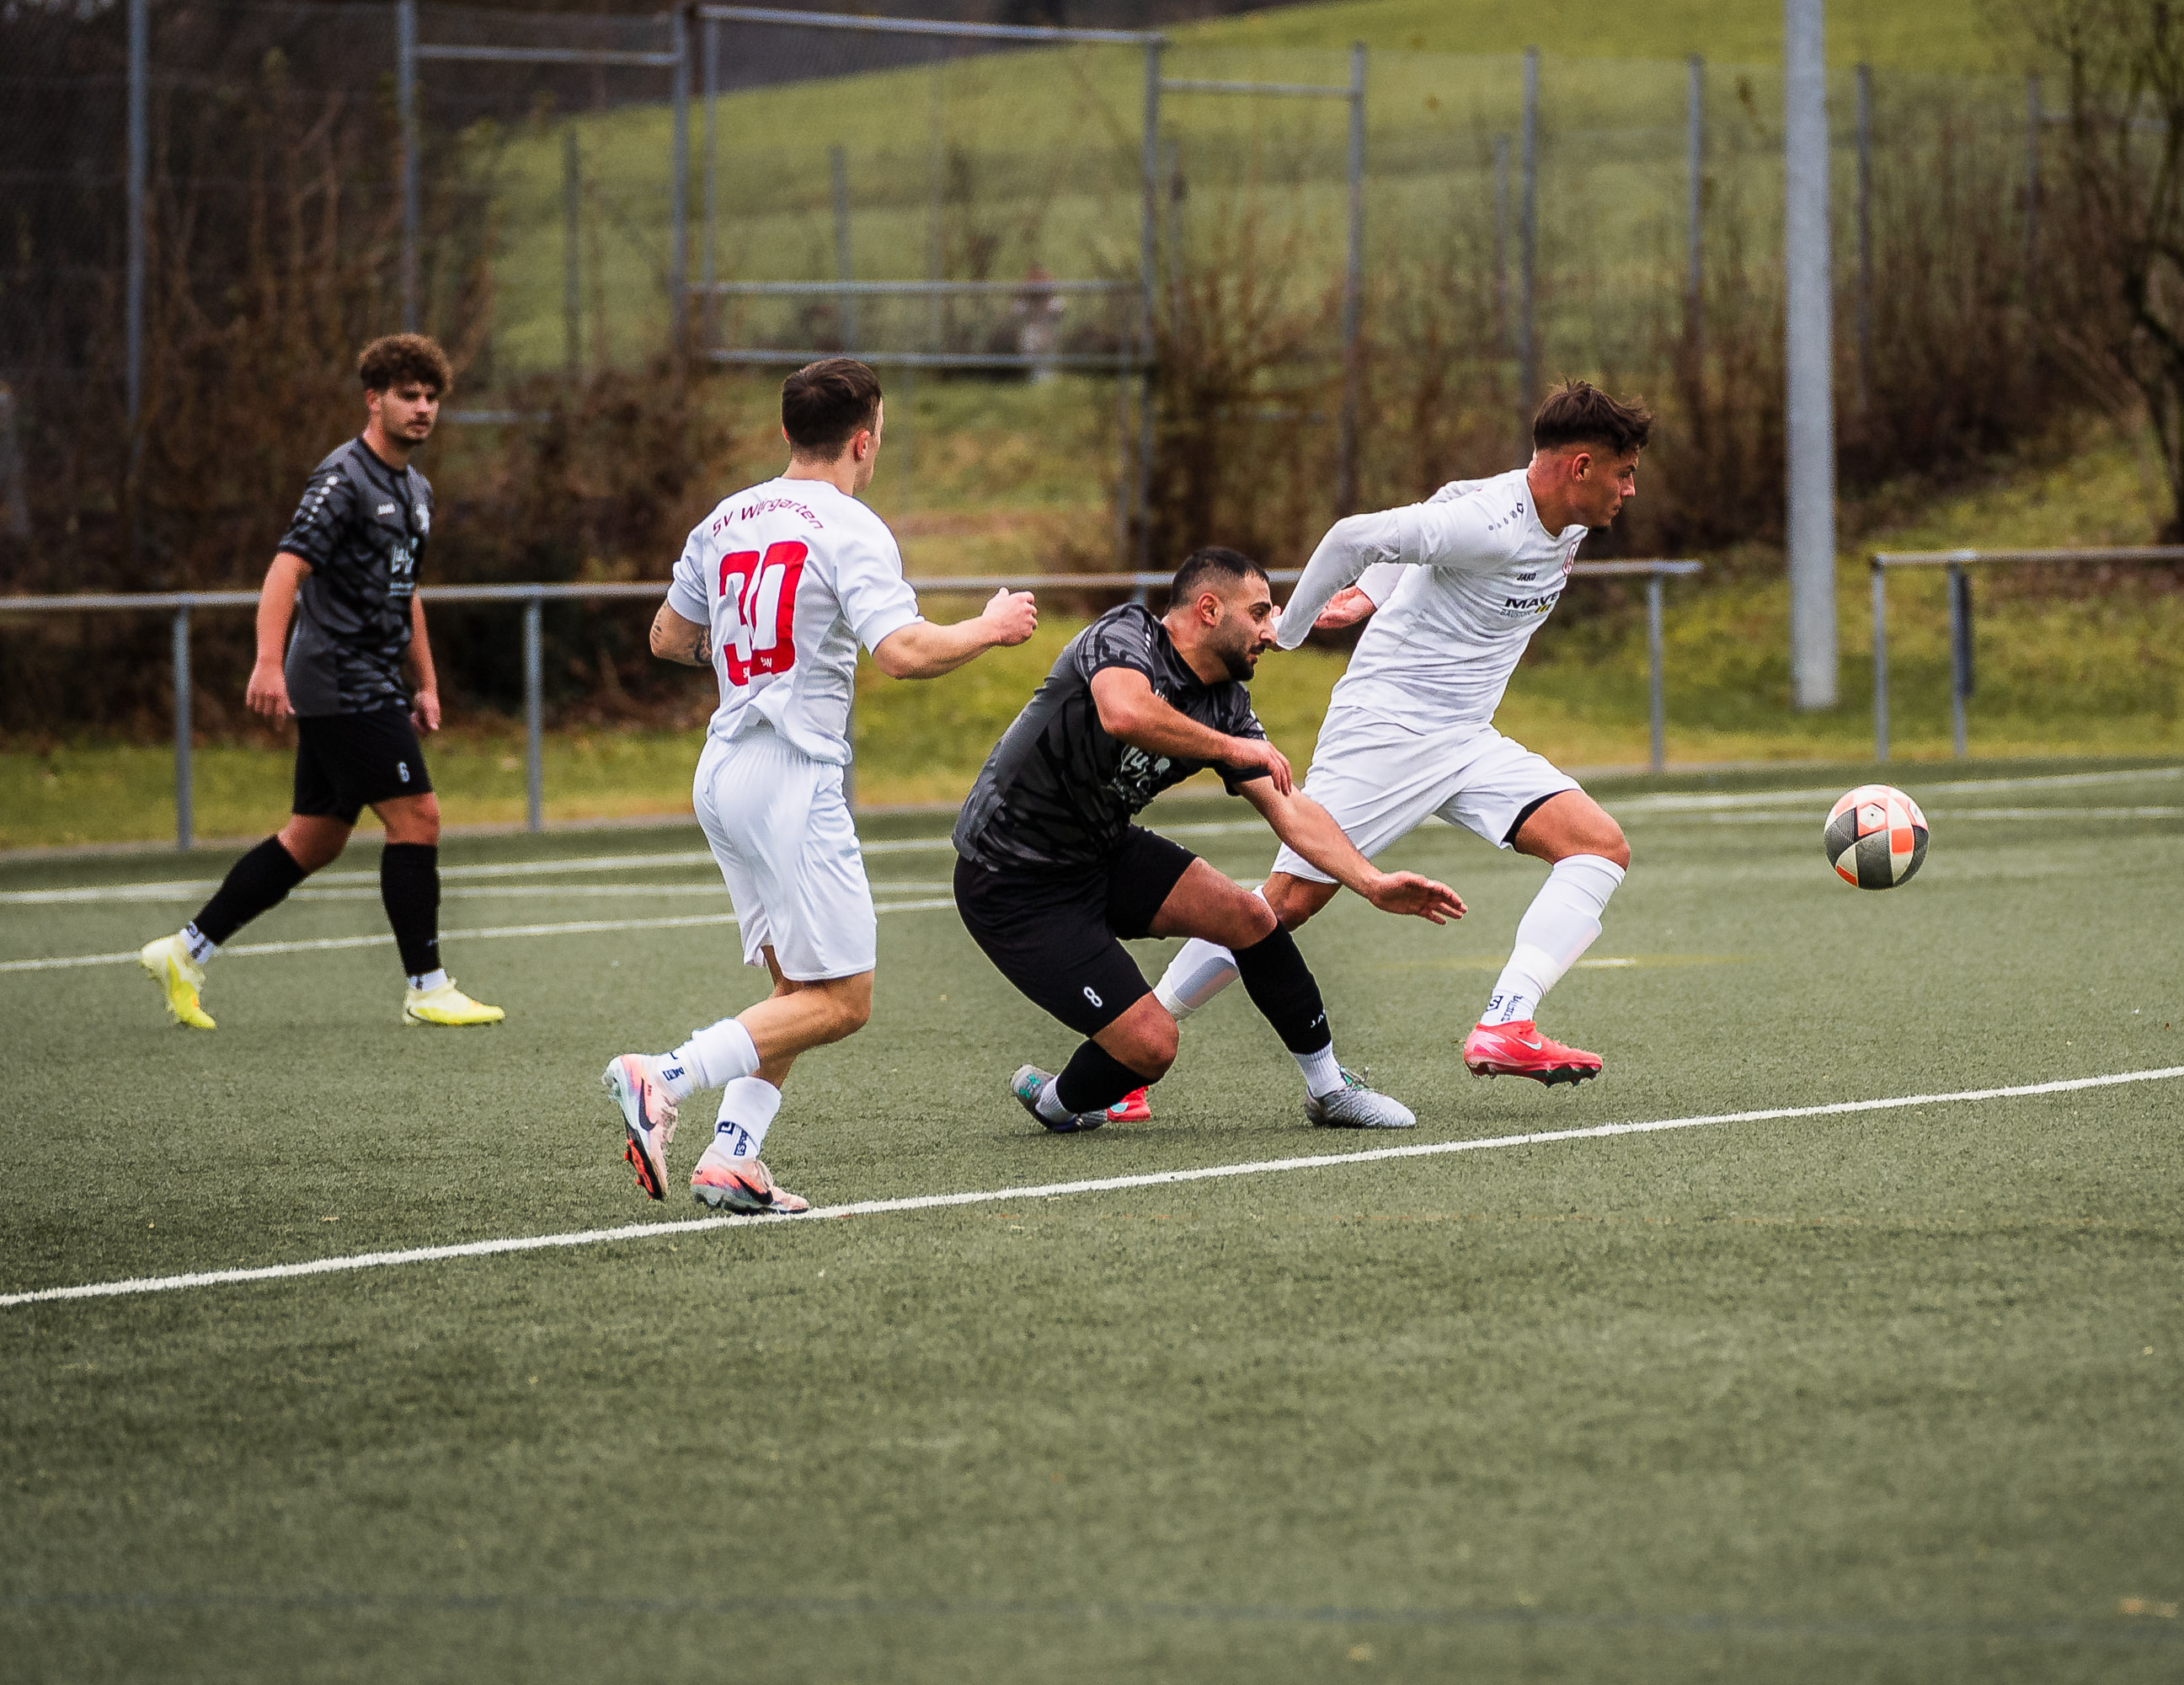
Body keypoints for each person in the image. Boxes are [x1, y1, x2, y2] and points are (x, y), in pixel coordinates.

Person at [603, 357, 1038, 1214]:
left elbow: (666, 637)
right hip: (791, 779)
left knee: (796, 991)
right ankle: (663, 1076)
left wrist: (748, 658)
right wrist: (989, 627)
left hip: (722, 773)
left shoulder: (725, 517)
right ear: (863, 440)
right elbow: (902, 652)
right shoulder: (850, 525)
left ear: (786, 431)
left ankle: (732, 1157)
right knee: (843, 1000)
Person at [1148, 380, 1648, 1101]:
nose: (1629, 490)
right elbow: (1352, 537)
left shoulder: (1555, 516)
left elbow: (1441, 502)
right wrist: (1290, 630)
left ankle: (1507, 1023)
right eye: (1623, 473)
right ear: (1580, 467)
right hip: (1385, 731)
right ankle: (1136, 1042)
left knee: (1599, 847)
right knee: (1283, 905)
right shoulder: (1493, 523)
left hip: (1465, 739)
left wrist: (1374, 591)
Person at [952, 547, 1465, 1134]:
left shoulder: (1226, 703)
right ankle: (1055, 1102)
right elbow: (1124, 712)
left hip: (1101, 850)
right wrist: (1231, 748)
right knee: (1152, 1046)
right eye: (1260, 613)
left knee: (1251, 916)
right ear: (1209, 609)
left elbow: (1291, 810)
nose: (1271, 632)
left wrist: (1371, 883)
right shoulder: (1126, 635)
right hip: (1012, 880)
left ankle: (1329, 1090)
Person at [138, 334, 503, 1030]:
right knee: (418, 818)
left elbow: (406, 591)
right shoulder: (342, 480)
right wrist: (268, 662)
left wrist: (426, 682)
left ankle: (184, 951)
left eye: (431, 397)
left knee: (314, 838)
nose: (423, 408)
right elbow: (287, 568)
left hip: (374, 678)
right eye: (408, 396)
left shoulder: (416, 489)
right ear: (374, 400)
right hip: (340, 678)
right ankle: (427, 987)